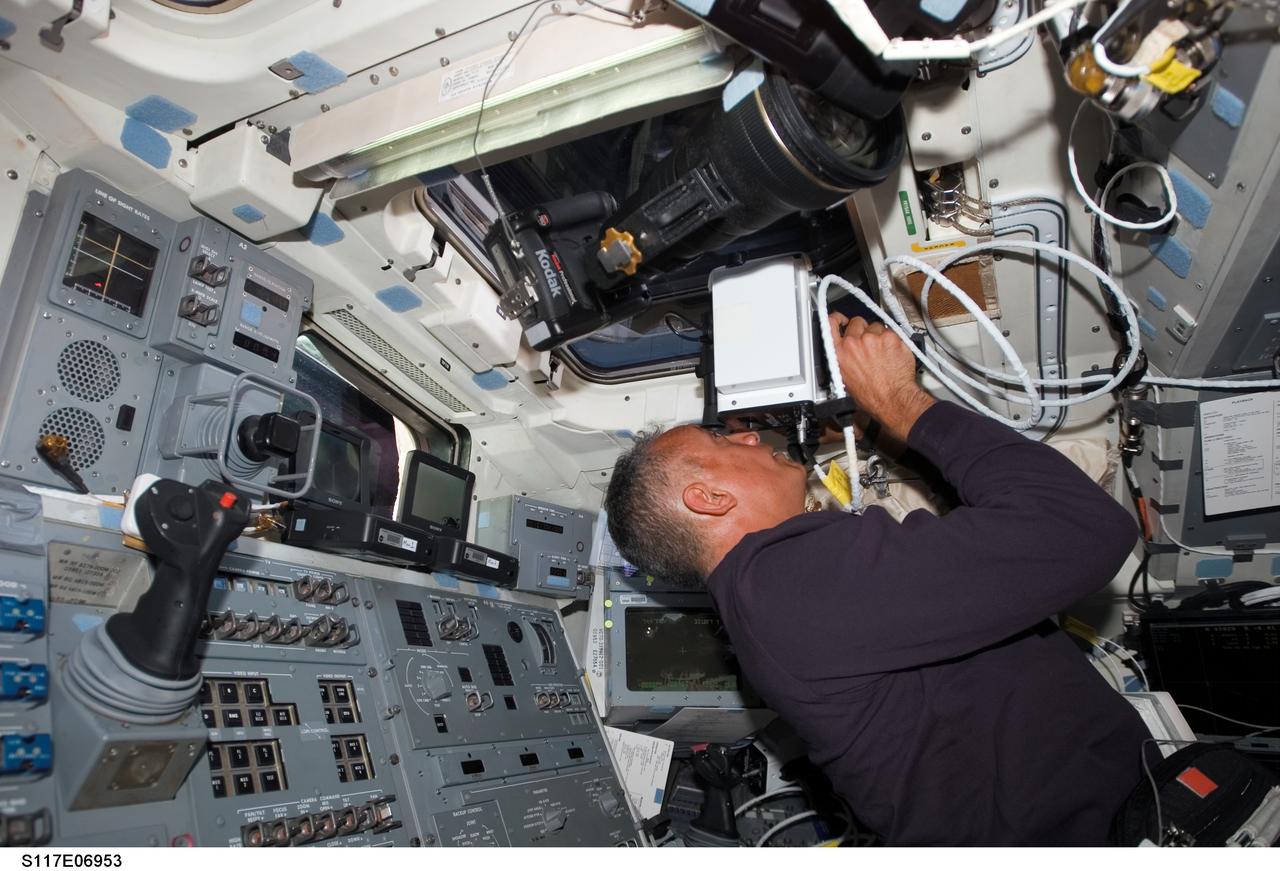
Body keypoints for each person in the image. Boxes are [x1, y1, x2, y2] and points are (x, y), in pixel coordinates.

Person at [603, 313, 1151, 845]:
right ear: (710, 499)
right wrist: (901, 402)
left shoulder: (767, 595)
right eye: (722, 445)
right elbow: (1083, 528)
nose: (747, 438)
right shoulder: (785, 580)